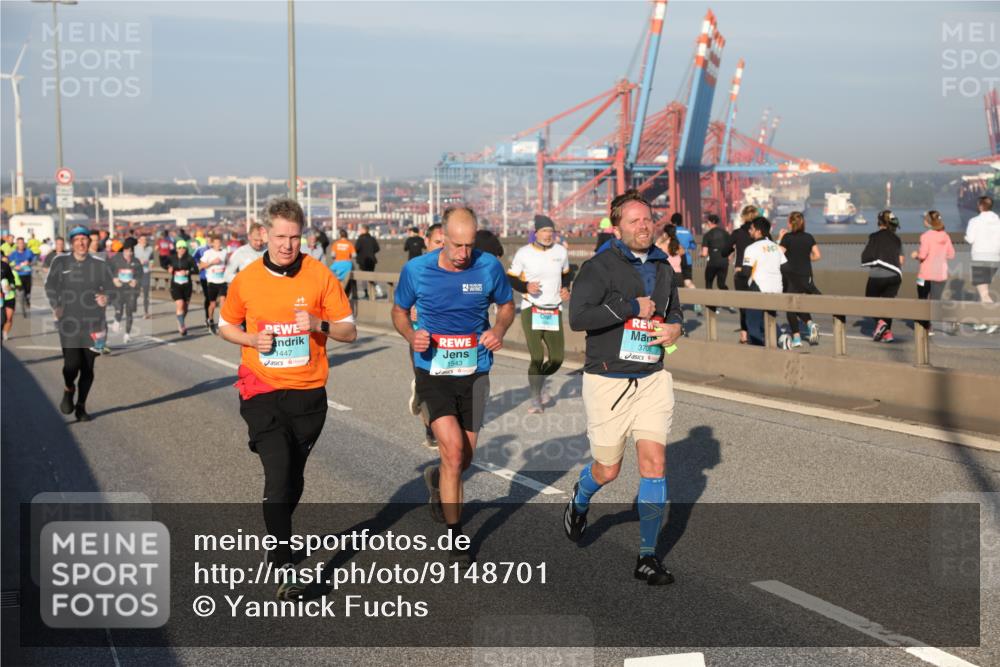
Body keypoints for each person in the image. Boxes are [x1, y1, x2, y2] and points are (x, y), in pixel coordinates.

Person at [219, 198, 356, 600]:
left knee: (293, 479)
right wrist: (250, 338)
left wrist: (319, 324)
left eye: (294, 237)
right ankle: (283, 564)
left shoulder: (320, 276)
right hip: (261, 389)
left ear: (304, 237)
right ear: (265, 235)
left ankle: (278, 536)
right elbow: (226, 326)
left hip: (309, 394)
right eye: (279, 236)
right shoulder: (246, 279)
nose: (286, 245)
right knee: (277, 475)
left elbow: (349, 331)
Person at [565, 189, 682, 585]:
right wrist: (631, 307)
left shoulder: (664, 266)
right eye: (634, 221)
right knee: (609, 469)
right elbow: (578, 318)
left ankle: (647, 557)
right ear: (617, 228)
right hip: (607, 381)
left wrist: (674, 328)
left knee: (654, 465)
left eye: (648, 219)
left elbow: (675, 311)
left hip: (652, 378)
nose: (644, 226)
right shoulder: (597, 268)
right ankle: (580, 499)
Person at [392, 206, 514, 566]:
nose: (463, 254)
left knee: (466, 458)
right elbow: (399, 311)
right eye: (457, 245)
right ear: (441, 236)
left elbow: (507, 306)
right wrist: (412, 335)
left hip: (475, 370)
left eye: (469, 245)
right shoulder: (417, 270)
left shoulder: (488, 266)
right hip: (433, 370)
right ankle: (456, 536)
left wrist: (498, 330)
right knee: (453, 450)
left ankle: (436, 480)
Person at [44, 226, 114, 422]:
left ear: (89, 242)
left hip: (95, 324)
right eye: (78, 239)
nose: (82, 243)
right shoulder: (61, 261)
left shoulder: (99, 265)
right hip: (69, 322)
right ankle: (68, 388)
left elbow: (111, 288)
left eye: (85, 239)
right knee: (71, 364)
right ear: (72, 242)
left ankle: (81, 406)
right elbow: (50, 285)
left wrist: (106, 297)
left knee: (88, 367)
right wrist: (56, 305)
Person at [507, 215, 571, 413]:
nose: (547, 235)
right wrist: (526, 285)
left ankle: (539, 384)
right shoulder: (524, 253)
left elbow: (566, 274)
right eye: (544, 231)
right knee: (536, 357)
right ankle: (535, 397)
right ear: (536, 233)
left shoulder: (561, 251)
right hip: (532, 308)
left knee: (557, 358)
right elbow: (511, 278)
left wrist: (566, 288)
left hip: (554, 310)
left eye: (550, 232)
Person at [406, 223, 445, 449]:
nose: (441, 247)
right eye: (437, 242)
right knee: (430, 385)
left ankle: (421, 391)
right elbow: (399, 305)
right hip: (421, 338)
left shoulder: (458, 269)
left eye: (445, 242)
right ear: (427, 243)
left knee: (445, 386)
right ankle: (431, 430)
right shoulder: (414, 269)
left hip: (450, 340)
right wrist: (410, 310)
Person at [778, 211, 822, 347]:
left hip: (791, 276)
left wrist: (780, 238)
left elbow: (778, 254)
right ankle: (810, 324)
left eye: (788, 221)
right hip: (806, 276)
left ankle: (797, 338)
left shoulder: (787, 238)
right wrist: (805, 257)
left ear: (791, 223)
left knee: (790, 306)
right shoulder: (809, 237)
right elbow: (817, 255)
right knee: (800, 303)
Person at [741, 217, 786, 347]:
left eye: (751, 228)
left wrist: (738, 273)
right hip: (776, 288)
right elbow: (785, 267)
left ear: (758, 231)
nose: (749, 231)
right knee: (768, 320)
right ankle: (781, 339)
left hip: (758, 287)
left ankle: (763, 351)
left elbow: (745, 272)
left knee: (752, 323)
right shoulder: (775, 247)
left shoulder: (751, 248)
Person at [862, 210, 905, 343]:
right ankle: (887, 334)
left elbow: (868, 255)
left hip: (877, 275)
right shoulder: (896, 238)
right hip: (895, 276)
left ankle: (881, 323)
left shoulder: (874, 237)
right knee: (888, 304)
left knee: (870, 301)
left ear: (879, 222)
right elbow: (901, 260)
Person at [912, 210, 956, 335]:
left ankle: (927, 326)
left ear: (928, 222)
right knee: (936, 301)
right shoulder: (945, 236)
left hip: (925, 275)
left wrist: (915, 255)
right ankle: (948, 319)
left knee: (923, 299)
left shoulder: (925, 236)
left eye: (925, 219)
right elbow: (951, 254)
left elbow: (922, 255)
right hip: (941, 275)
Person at [965, 195, 1000, 334]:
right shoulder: (998, 221)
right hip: (995, 258)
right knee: (983, 291)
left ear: (980, 206)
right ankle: (983, 321)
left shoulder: (975, 221)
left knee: (984, 293)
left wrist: (966, 237)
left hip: (980, 258)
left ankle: (993, 320)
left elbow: (970, 239)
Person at [730, 205, 758, 343]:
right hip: (757, 272)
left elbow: (725, 249)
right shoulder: (761, 233)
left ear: (743, 216)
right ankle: (758, 331)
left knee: (743, 304)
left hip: (741, 271)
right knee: (757, 303)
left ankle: (744, 334)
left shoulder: (737, 233)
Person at [108, 237, 143, 344]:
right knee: (119, 308)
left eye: (131, 251)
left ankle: (127, 335)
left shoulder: (136, 262)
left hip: (130, 290)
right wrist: (113, 279)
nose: (129, 253)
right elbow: (107, 269)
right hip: (118, 289)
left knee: (129, 312)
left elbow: (141, 275)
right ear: (124, 250)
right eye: (127, 251)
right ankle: (117, 320)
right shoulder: (116, 259)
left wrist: (136, 281)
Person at [199, 234, 230, 335]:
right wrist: (212, 263)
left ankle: (222, 323)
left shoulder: (224, 252)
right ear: (212, 243)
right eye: (215, 243)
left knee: (223, 301)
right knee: (212, 304)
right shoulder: (208, 253)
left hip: (222, 281)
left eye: (219, 242)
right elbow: (200, 266)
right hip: (212, 282)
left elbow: (228, 264)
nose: (217, 244)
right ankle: (211, 320)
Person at [167, 239, 199, 336]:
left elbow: (196, 269)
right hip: (175, 285)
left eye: (184, 248)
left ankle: (181, 320)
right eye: (179, 248)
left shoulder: (190, 258)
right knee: (180, 304)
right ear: (176, 249)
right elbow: (164, 264)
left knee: (185, 308)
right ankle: (182, 326)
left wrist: (188, 272)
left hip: (187, 285)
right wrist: (169, 269)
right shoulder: (172, 258)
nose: (182, 249)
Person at [700, 214, 732, 307]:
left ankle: (711, 305)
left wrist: (700, 254)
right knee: (721, 284)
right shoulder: (725, 233)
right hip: (724, 261)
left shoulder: (707, 235)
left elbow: (705, 253)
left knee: (709, 282)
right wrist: (729, 258)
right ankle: (730, 302)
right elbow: (732, 247)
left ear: (710, 222)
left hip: (713, 262)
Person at [8, 237, 37, 317]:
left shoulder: (28, 252)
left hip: (27, 274)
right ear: (17, 244)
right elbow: (8, 262)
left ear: (24, 243)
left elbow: (34, 259)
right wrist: (14, 267)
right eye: (19, 243)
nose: (21, 244)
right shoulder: (14, 253)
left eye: (22, 243)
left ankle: (27, 299)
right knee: (20, 292)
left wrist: (30, 262)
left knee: (28, 291)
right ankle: (22, 305)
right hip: (18, 276)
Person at [354, 224, 380, 298]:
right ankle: (376, 289)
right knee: (371, 275)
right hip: (372, 260)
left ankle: (366, 293)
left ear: (364, 230)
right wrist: (371, 252)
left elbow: (356, 249)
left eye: (360, 229)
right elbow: (377, 248)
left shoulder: (360, 239)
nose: (359, 231)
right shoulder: (372, 239)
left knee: (364, 277)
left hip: (362, 261)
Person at [133, 234, 155, 318]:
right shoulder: (134, 249)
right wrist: (138, 263)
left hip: (146, 273)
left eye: (145, 240)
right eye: (142, 240)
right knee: (136, 293)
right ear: (138, 240)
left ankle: (146, 312)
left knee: (146, 294)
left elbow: (152, 259)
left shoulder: (149, 249)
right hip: (136, 273)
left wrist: (150, 265)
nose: (144, 241)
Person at [329, 229, 357, 294]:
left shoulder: (336, 244)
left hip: (337, 264)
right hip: (347, 264)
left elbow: (332, 255)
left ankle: (336, 291)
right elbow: (354, 255)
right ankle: (347, 294)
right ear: (346, 235)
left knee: (332, 274)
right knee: (347, 280)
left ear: (340, 235)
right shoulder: (349, 244)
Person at [1, 255, 18, 341]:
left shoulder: (8, 268)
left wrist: (10, 286)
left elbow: (14, 281)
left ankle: (5, 333)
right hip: (1, 298)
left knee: (8, 318)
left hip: (9, 296)